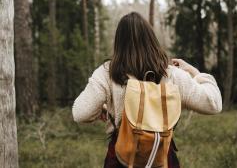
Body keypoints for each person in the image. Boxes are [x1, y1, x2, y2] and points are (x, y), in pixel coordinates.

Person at [72, 12, 222, 168]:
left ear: (118, 43)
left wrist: (104, 108)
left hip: (121, 158)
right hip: (161, 156)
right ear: (151, 39)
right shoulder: (172, 74)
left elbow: (80, 113)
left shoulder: (107, 72)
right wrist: (195, 73)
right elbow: (214, 104)